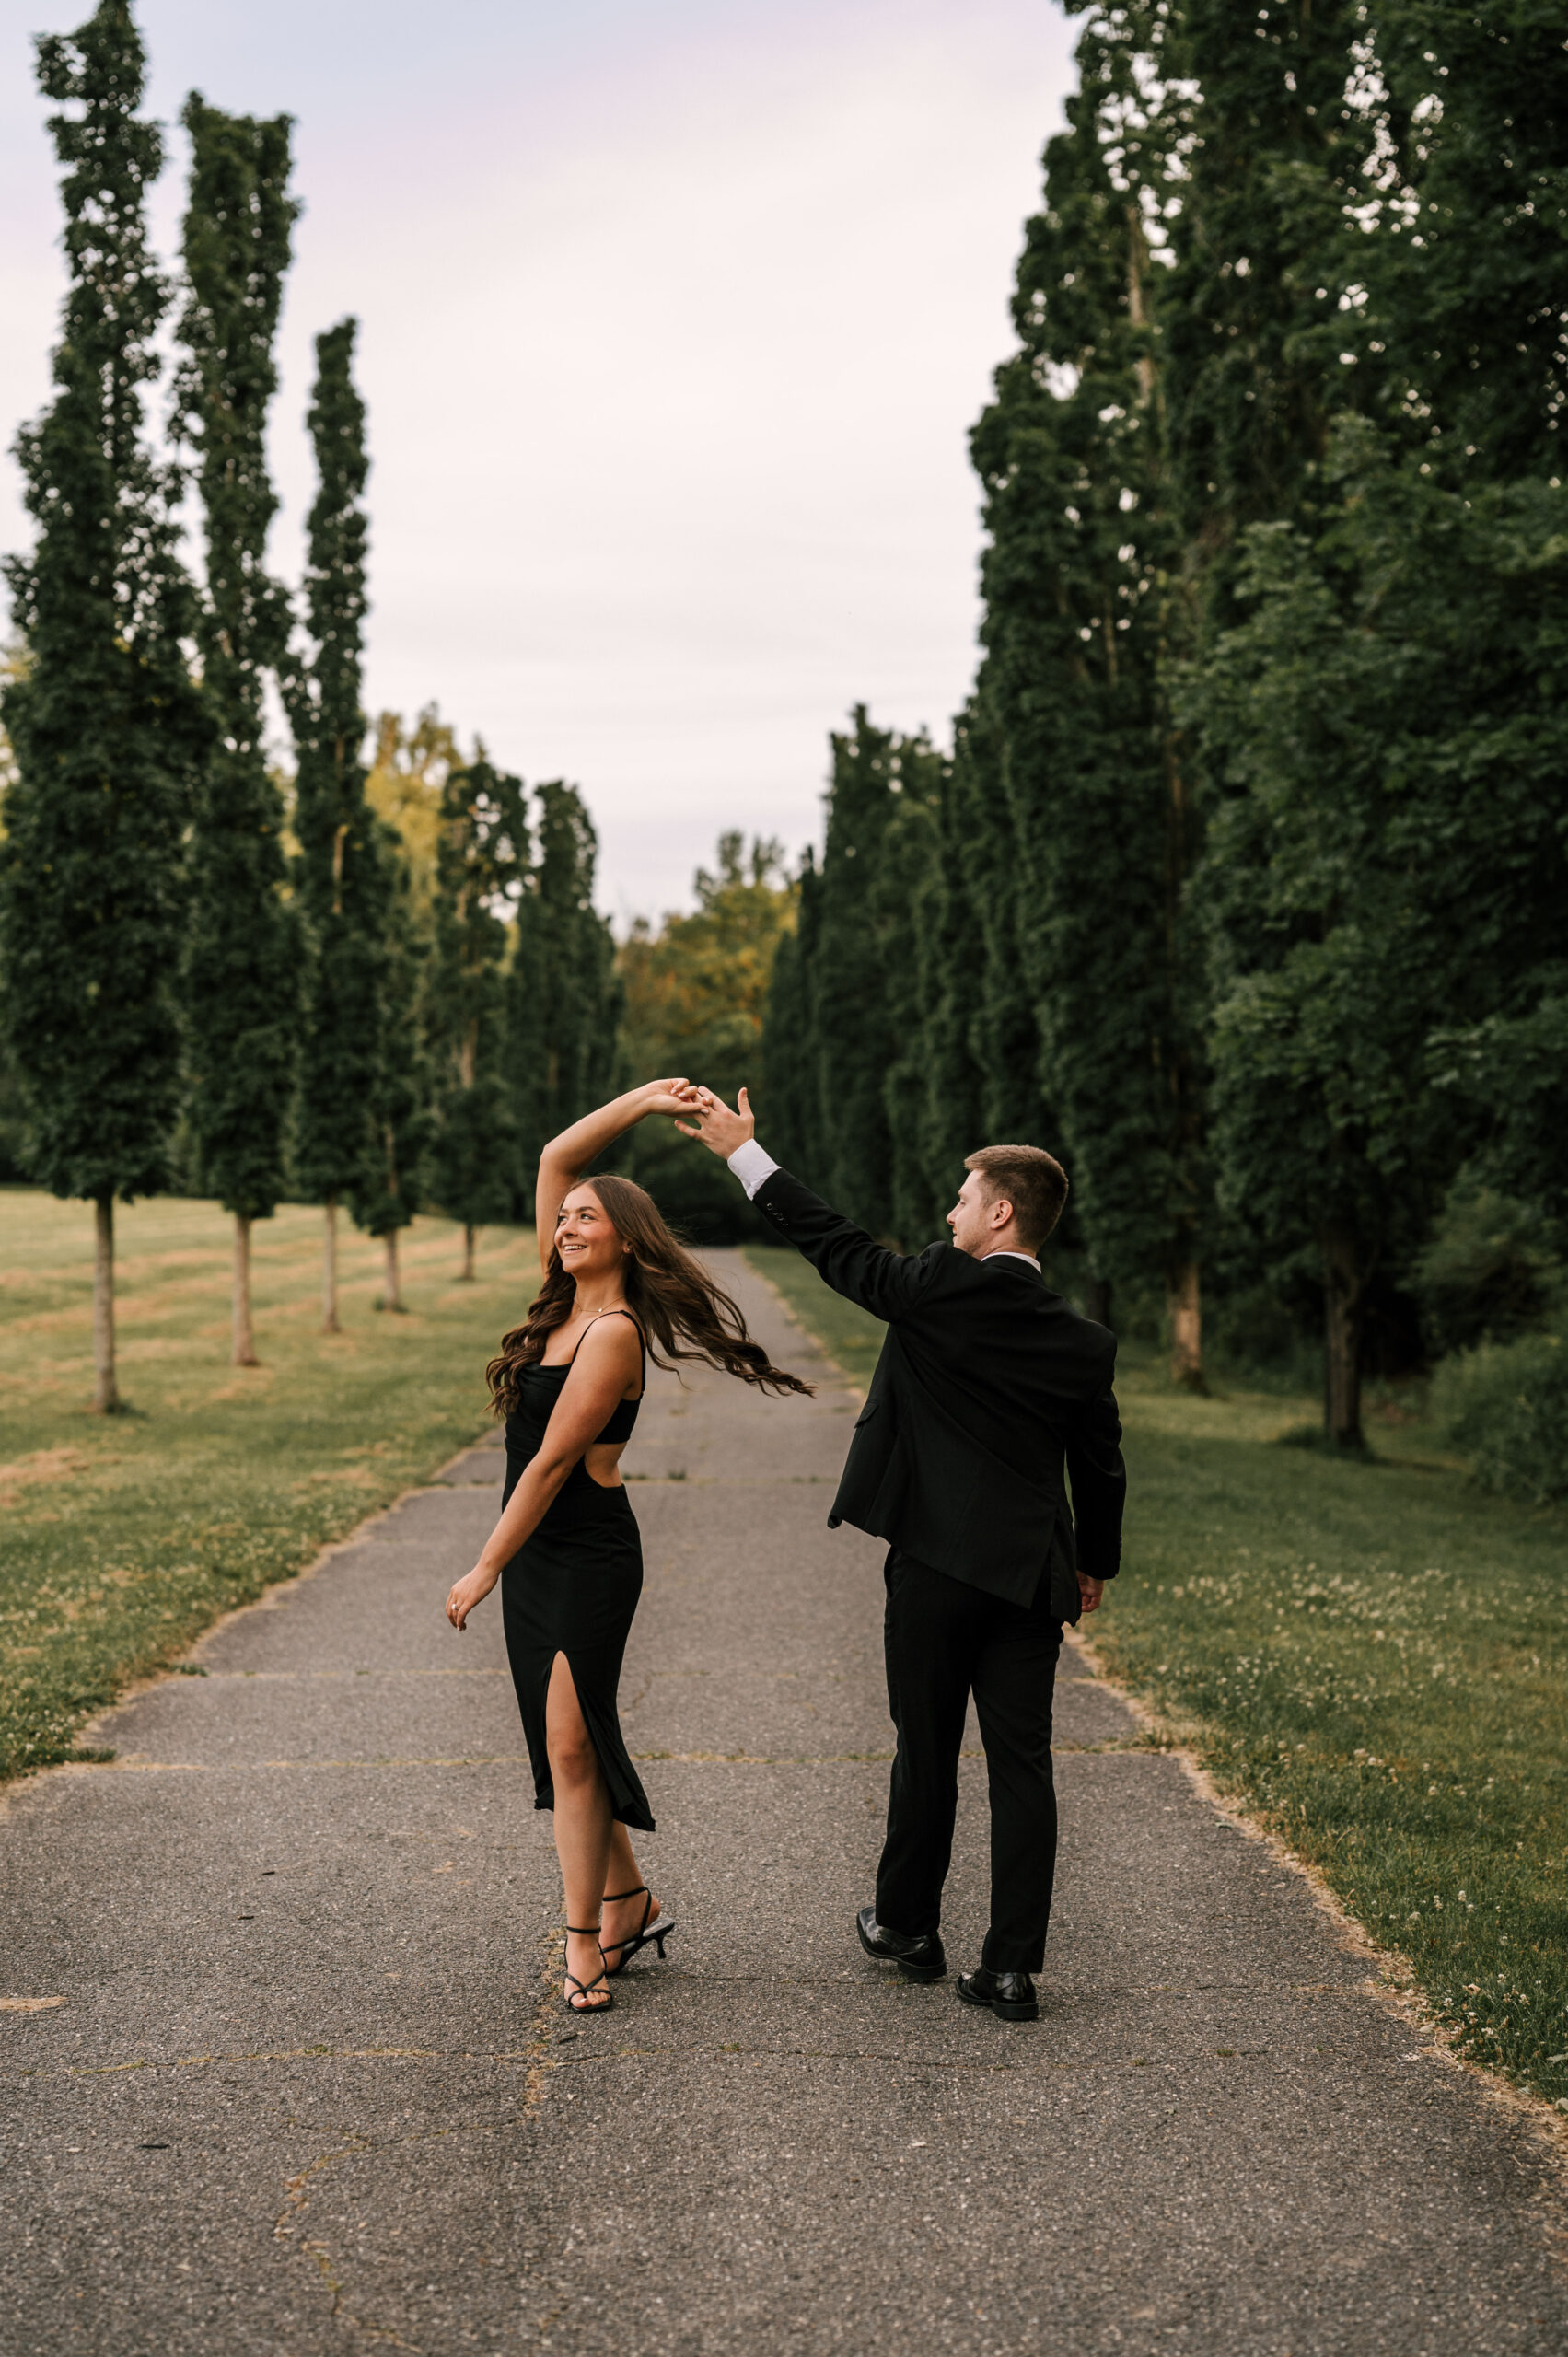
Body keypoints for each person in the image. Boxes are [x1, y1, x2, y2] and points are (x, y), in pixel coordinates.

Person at [678, 1084, 1125, 2024]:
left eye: (960, 1200)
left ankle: (907, 1925)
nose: (947, 1212)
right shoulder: (1082, 1342)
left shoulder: (938, 1285)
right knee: (1023, 1766)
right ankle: (1009, 1971)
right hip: (1028, 1577)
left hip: (931, 1566)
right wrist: (1093, 1563)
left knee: (925, 1747)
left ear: (1000, 1210)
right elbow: (1100, 1464)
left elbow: (838, 1251)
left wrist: (742, 1153)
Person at [445, 1080, 811, 2014]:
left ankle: (581, 1941)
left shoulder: (609, 1335)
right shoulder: (558, 1300)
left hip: (581, 1552)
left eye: (585, 1219)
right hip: (533, 1550)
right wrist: (644, 1102)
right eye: (562, 1218)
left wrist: (485, 1564)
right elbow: (554, 1157)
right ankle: (631, 1899)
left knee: (569, 1742)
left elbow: (552, 1463)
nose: (565, 1224)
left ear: (623, 1237)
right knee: (571, 1742)